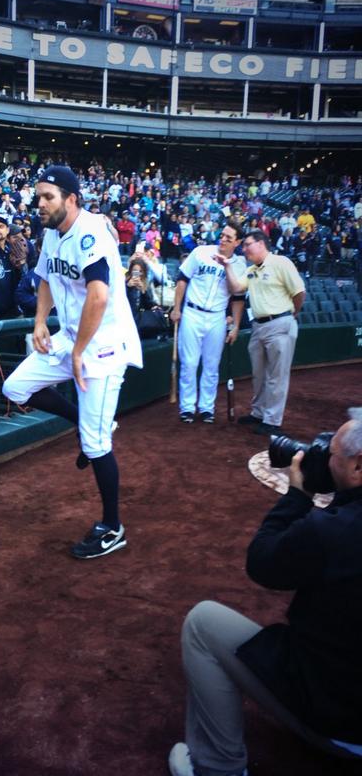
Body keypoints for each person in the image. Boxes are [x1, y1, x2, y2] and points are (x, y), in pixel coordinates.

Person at [169, 408, 362, 776]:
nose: (320, 456)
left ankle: (217, 767)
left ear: (358, 467)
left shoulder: (333, 532)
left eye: (331, 453)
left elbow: (263, 563)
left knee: (203, 622)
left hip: (343, 725)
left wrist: (298, 495)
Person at [2, 166, 142, 560]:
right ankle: (81, 425)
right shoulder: (51, 232)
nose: (40, 203)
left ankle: (113, 527)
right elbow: (45, 276)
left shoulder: (92, 231)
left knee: (98, 445)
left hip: (104, 345)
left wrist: (78, 350)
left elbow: (98, 295)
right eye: (38, 196)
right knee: (15, 388)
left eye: (48, 197)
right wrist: (41, 320)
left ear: (71, 199)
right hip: (72, 337)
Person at [216, 230, 305, 435]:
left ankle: (272, 420)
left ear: (261, 244)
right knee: (259, 374)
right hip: (258, 326)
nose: (244, 249)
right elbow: (237, 287)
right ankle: (258, 413)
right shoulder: (252, 270)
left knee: (276, 375)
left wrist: (292, 314)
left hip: (280, 322)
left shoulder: (281, 262)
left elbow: (299, 292)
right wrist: (227, 266)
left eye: (247, 244)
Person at [171, 221, 246, 424]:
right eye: (222, 235)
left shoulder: (239, 265)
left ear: (237, 242)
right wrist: (177, 308)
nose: (223, 239)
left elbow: (238, 298)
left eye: (228, 238)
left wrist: (236, 325)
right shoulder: (201, 252)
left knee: (211, 366)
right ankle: (187, 407)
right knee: (189, 363)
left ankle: (206, 408)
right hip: (192, 313)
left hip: (217, 317)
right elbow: (182, 279)